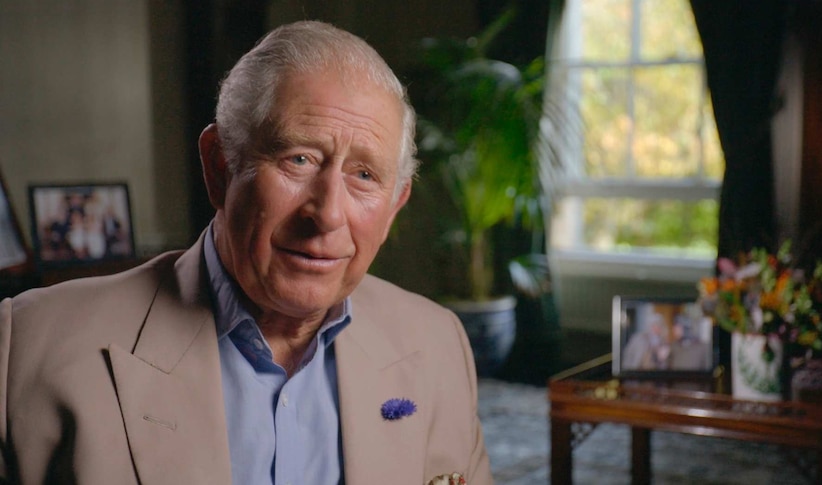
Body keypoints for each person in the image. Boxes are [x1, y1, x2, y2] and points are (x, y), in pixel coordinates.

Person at [0, 21, 492, 485]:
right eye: (298, 158)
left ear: (393, 207)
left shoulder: (438, 345)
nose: (328, 214)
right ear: (219, 168)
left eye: (364, 175)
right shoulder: (25, 346)